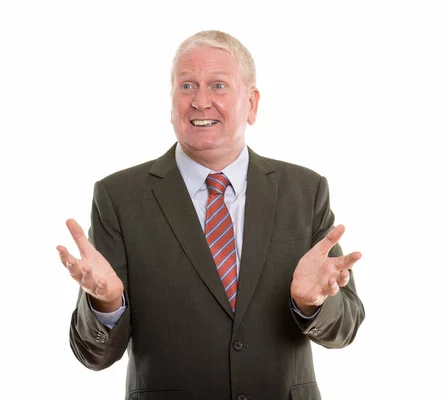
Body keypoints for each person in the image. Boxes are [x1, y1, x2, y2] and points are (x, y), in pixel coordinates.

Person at [57, 30, 364, 400]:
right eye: (187, 86)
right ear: (171, 101)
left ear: (251, 104)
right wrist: (105, 304)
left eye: (218, 85)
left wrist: (311, 304)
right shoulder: (119, 197)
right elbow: (95, 355)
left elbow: (345, 329)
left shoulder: (304, 190)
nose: (201, 101)